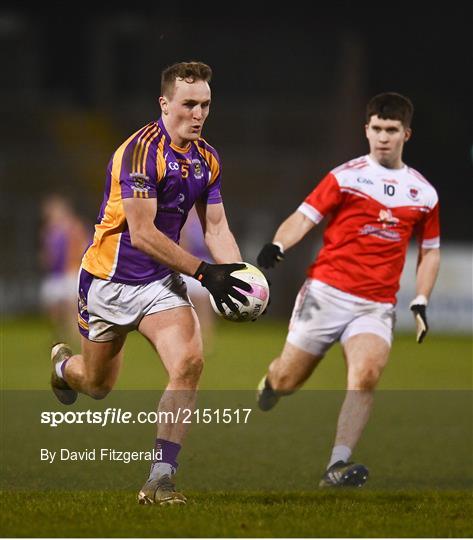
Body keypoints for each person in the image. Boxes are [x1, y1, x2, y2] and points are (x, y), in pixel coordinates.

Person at [49, 61, 251, 505]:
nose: (198, 114)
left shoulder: (207, 160)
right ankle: (64, 370)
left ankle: (160, 478)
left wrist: (236, 277)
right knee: (97, 385)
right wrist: (203, 272)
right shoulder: (139, 153)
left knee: (190, 363)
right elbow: (142, 234)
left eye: (205, 105)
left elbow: (216, 228)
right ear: (165, 104)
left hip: (159, 284)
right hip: (107, 282)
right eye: (188, 104)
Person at [256, 93, 440, 487]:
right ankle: (271, 383)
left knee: (367, 375)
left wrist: (421, 298)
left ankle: (336, 466)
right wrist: (278, 244)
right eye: (376, 129)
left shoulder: (423, 193)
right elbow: (304, 216)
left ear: (406, 133)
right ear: (367, 130)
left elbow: (430, 251)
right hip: (326, 294)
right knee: (287, 380)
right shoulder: (346, 176)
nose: (383, 137)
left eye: (391, 130)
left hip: (375, 306)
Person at [39, 194, 89, 348]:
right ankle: (62, 336)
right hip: (56, 275)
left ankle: (77, 339)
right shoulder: (49, 231)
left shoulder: (74, 226)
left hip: (72, 272)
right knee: (53, 308)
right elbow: (48, 255)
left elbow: (86, 244)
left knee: (73, 307)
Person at [179, 207, 216, 349]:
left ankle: (206, 338)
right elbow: (182, 246)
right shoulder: (181, 218)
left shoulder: (204, 218)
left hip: (204, 263)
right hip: (186, 264)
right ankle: (186, 339)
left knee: (204, 302)